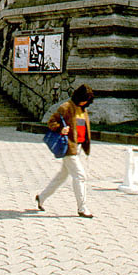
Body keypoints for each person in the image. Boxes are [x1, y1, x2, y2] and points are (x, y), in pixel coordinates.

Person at [36, 84, 95, 218]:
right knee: (80, 176)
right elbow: (51, 122)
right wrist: (60, 129)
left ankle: (41, 197)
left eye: (88, 100)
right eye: (84, 99)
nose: (86, 102)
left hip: (78, 147)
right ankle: (82, 208)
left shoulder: (83, 109)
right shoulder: (66, 107)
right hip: (68, 147)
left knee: (61, 176)